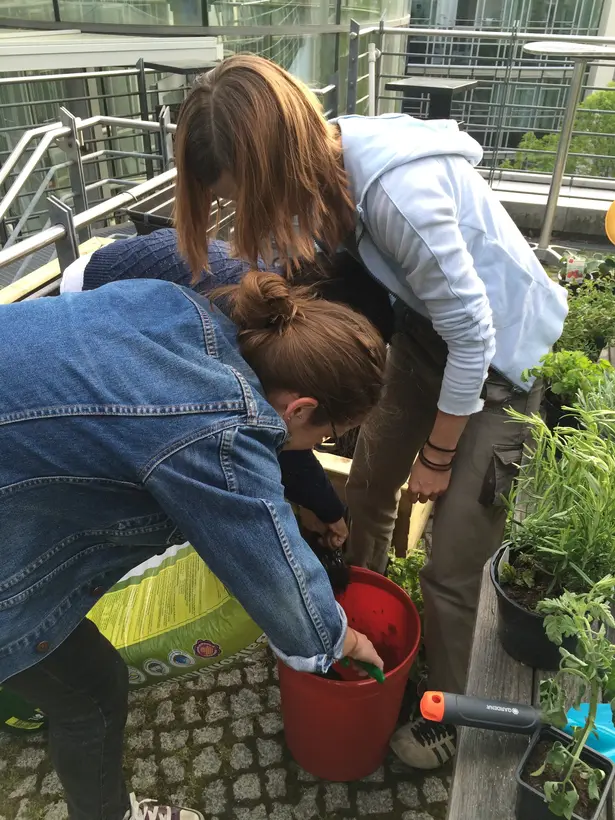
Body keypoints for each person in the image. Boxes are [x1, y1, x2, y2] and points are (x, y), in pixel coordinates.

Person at [172, 54, 569, 769]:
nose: (245, 212)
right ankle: (352, 623)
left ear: (271, 160)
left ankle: (453, 708)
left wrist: (439, 457)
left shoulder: (398, 193)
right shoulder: (323, 172)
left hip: (502, 368)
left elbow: (475, 336)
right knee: (365, 484)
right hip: (423, 338)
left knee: (451, 561)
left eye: (243, 194)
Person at [0, 272, 386, 820]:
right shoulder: (221, 430)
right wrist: (339, 637)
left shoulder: (178, 307)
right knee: (91, 692)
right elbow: (277, 575)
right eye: (321, 438)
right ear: (299, 409)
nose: (313, 448)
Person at [60, 228, 394, 548]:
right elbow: (268, 431)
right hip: (91, 293)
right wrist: (321, 506)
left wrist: (322, 505)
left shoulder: (276, 321)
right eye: (327, 436)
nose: (322, 442)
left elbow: (286, 423)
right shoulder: (222, 343)